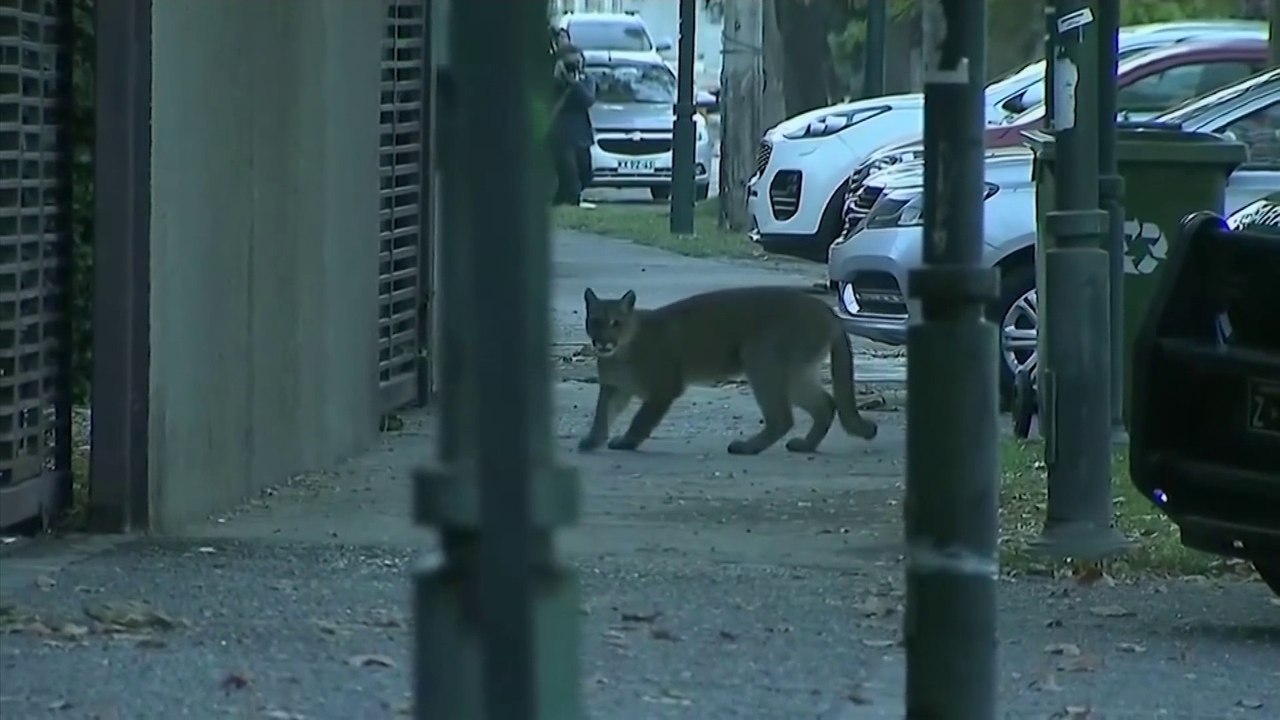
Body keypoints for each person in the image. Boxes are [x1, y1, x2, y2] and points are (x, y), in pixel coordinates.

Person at [549, 40, 597, 208]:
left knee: (586, 173)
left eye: (577, 62)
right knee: (570, 175)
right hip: (560, 134)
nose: (573, 66)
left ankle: (559, 200)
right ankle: (568, 201)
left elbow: (588, 100)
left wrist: (574, 83)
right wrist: (558, 79)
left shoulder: (586, 80)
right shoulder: (551, 80)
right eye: (569, 63)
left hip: (581, 134)